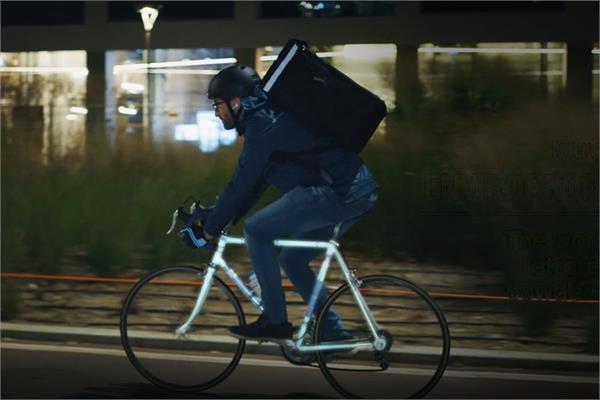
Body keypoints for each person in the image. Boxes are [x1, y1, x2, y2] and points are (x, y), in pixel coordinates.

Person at [201, 64, 378, 341]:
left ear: (236, 101)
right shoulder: (268, 119)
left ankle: (276, 321)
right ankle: (334, 336)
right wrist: (218, 216)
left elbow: (240, 183)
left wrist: (211, 228)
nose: (216, 111)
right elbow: (254, 185)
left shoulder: (263, 127)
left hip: (339, 192)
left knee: (256, 231)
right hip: (358, 189)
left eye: (218, 104)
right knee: (293, 261)